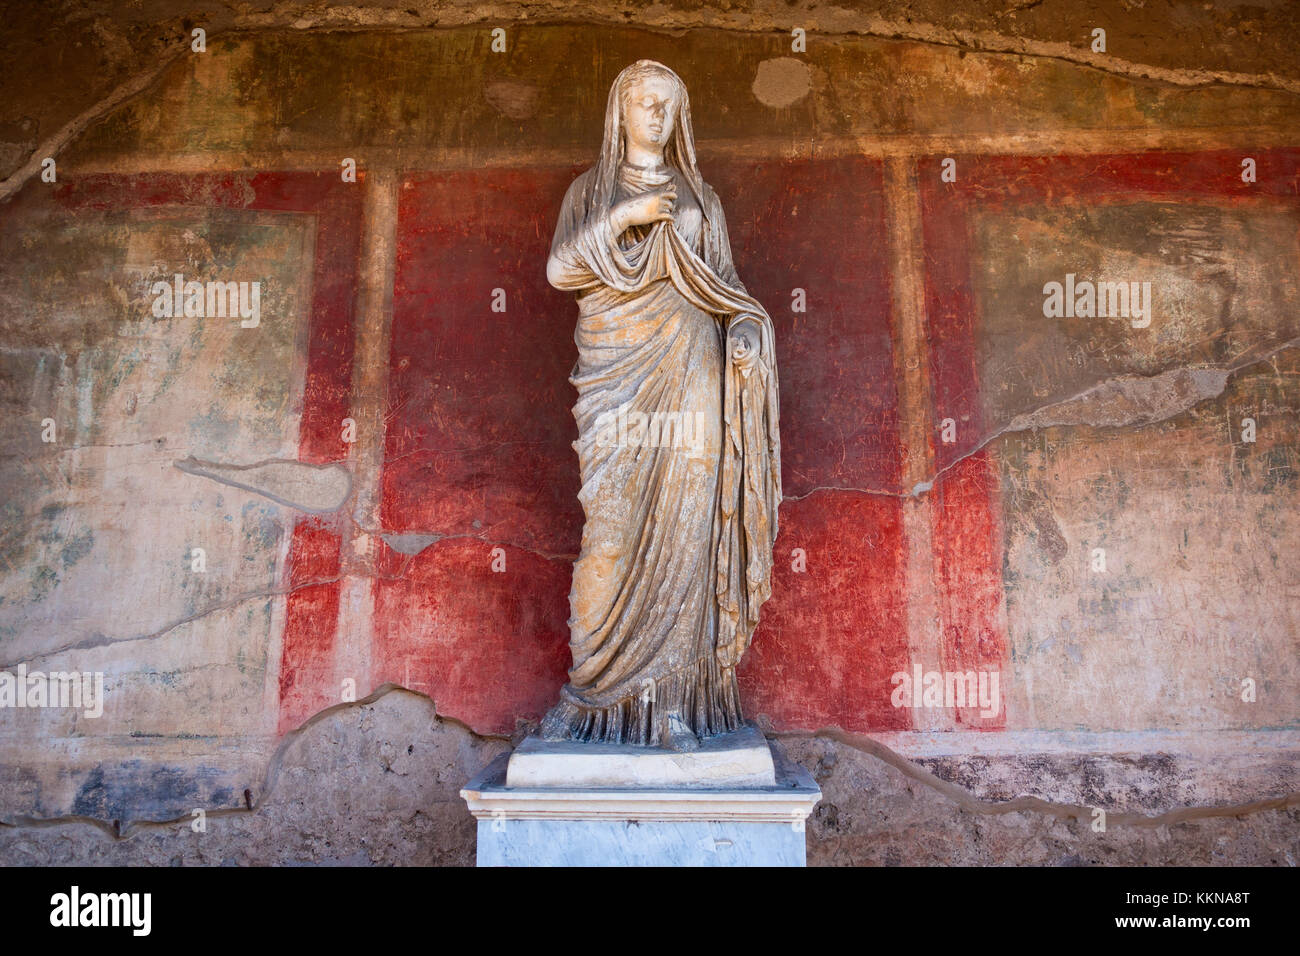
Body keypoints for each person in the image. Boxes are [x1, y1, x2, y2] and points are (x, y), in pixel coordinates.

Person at [540, 60, 781, 751]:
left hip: (692, 370)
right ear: (620, 111)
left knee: (686, 530)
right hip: (617, 375)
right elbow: (559, 271)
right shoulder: (590, 191)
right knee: (610, 537)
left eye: (667, 107)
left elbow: (729, 289)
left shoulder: (700, 195)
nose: (655, 117)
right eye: (644, 104)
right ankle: (591, 696)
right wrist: (626, 216)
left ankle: (670, 704)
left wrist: (742, 335)